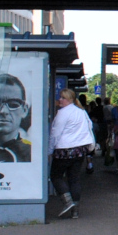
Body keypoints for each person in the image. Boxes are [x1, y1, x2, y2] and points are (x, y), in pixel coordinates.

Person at [49, 88, 94, 219]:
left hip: (63, 149)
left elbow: (55, 134)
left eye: (62, 98)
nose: (60, 100)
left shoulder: (62, 113)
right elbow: (89, 126)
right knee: (74, 179)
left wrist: (50, 150)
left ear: (69, 99)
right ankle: (76, 210)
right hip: (79, 150)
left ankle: (67, 202)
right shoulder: (81, 112)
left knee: (56, 176)